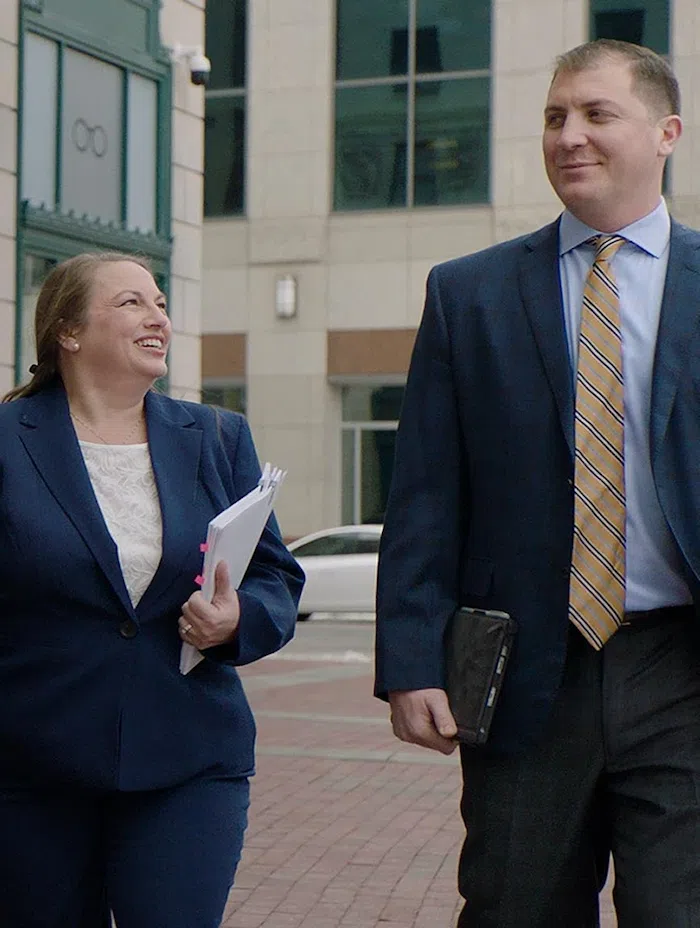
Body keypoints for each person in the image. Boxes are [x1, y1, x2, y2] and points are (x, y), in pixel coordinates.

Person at [375, 38, 700, 926]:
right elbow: (426, 495)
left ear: (667, 132)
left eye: (597, 114)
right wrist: (410, 662)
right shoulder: (469, 295)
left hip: (682, 669)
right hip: (524, 670)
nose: (569, 136)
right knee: (515, 908)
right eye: (556, 117)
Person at [0, 252, 304, 927]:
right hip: (31, 764)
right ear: (68, 332)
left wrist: (237, 620)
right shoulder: (8, 442)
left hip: (188, 755)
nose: (157, 317)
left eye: (161, 303)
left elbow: (274, 575)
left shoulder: (217, 436)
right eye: (131, 302)